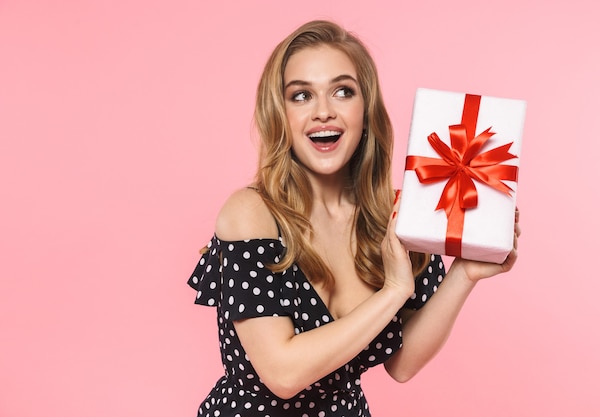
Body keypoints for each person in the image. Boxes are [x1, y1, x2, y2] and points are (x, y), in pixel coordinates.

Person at [187, 19, 520, 417]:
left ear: (366, 110)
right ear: (280, 114)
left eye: (343, 92)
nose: (323, 112)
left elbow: (403, 364)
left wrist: (464, 273)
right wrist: (393, 290)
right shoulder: (251, 212)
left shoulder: (396, 216)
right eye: (301, 96)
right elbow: (283, 373)